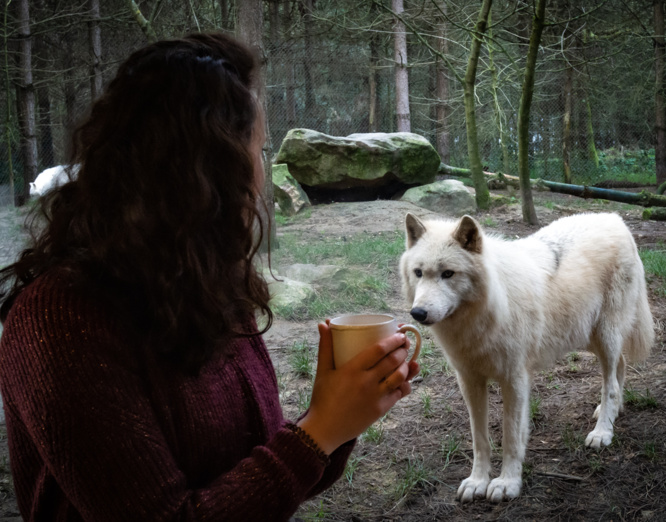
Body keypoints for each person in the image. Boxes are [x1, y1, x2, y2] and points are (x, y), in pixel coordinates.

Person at [0, 33, 419, 521]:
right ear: (213, 172)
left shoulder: (200, 286)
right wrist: (319, 430)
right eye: (259, 151)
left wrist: (341, 415)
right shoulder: (59, 320)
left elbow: (255, 480)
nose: (263, 175)